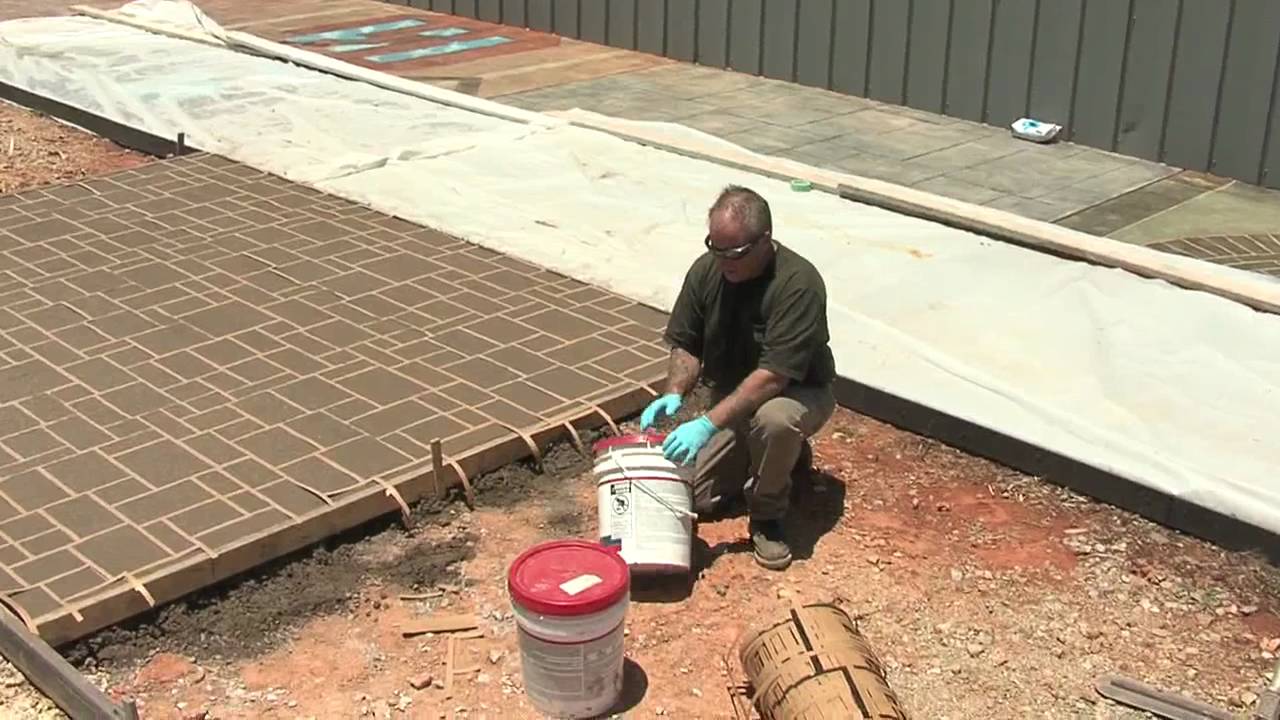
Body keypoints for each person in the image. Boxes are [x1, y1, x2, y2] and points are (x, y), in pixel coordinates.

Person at [640, 185, 837, 571]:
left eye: (734, 253)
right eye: (715, 247)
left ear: (765, 241)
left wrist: (707, 424)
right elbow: (687, 344)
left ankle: (767, 515)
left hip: (797, 392)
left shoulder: (799, 284)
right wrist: (674, 391)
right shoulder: (708, 269)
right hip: (736, 401)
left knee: (774, 420)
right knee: (695, 498)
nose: (723, 261)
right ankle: (780, 458)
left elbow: (772, 378)